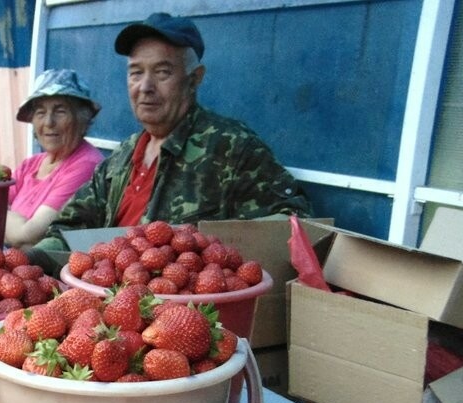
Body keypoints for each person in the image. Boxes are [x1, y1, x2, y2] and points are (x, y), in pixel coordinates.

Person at [39, 12, 310, 249]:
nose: (145, 86)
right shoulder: (124, 155)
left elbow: (296, 221)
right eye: (136, 73)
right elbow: (70, 225)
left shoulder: (230, 147)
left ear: (194, 79)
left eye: (162, 72)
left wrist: (205, 253)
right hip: (112, 296)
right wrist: (34, 258)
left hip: (184, 303)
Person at [5, 69, 104, 248]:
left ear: (83, 120)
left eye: (60, 111)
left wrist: (5, 218)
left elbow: (28, 235)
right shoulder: (30, 164)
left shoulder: (87, 165)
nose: (49, 122)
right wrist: (12, 222)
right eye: (41, 113)